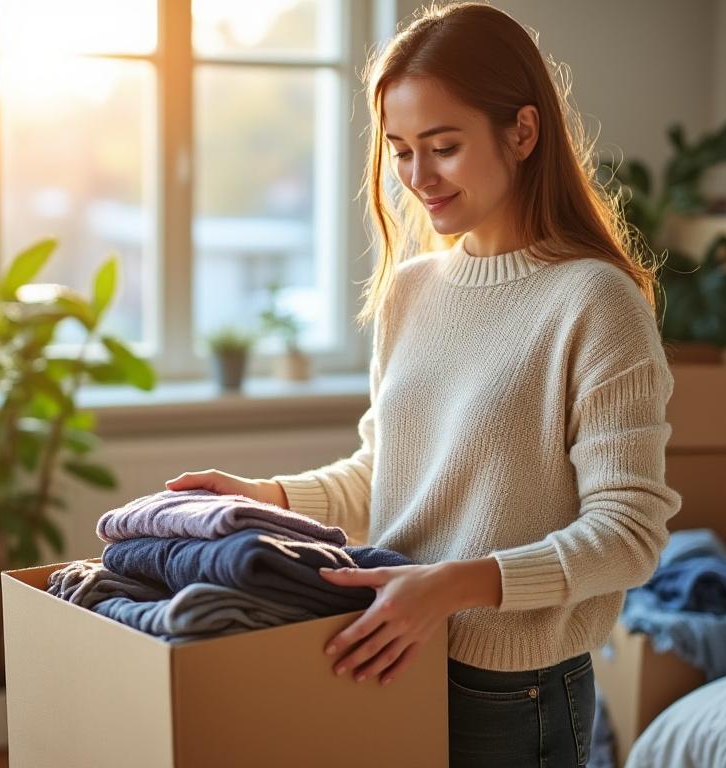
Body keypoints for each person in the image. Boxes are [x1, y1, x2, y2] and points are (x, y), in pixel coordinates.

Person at [166, 3, 680, 765]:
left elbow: (630, 536)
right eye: (401, 150)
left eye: (442, 147)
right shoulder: (411, 290)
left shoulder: (594, 302)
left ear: (523, 133)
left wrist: (448, 587)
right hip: (396, 650)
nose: (416, 178)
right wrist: (261, 497)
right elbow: (385, 475)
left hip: (512, 690)